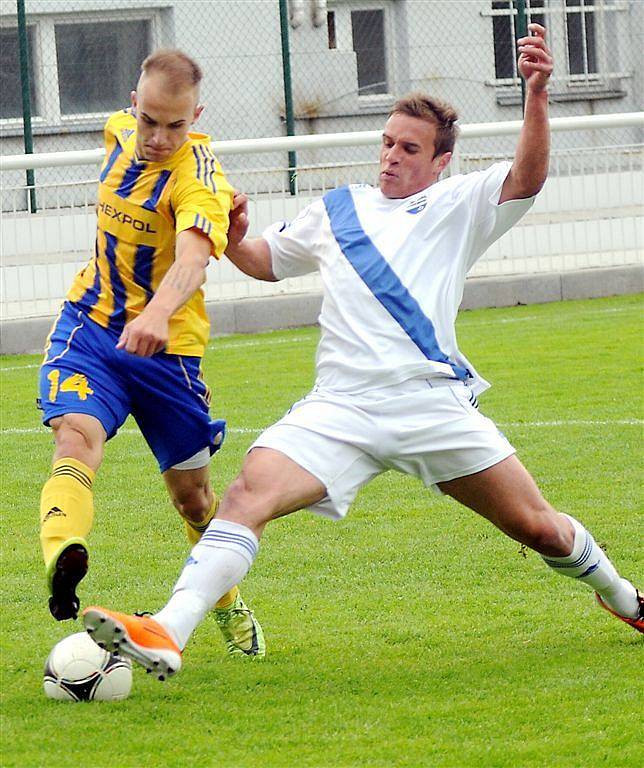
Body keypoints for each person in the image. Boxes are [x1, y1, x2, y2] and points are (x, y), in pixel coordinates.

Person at [81, 26, 642, 679]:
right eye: (386, 143)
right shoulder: (337, 209)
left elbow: (527, 176)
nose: (391, 156)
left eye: (409, 148)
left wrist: (537, 94)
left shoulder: (457, 204)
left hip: (432, 405)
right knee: (244, 496)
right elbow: (266, 262)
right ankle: (168, 630)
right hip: (340, 410)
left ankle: (626, 598)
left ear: (440, 162)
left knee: (540, 529)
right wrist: (234, 239)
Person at [38, 49, 264, 657]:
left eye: (176, 125)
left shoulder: (202, 179)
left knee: (193, 497)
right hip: (91, 328)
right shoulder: (116, 132)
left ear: (197, 116)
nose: (160, 138)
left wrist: (157, 315)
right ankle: (64, 553)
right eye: (149, 122)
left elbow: (193, 258)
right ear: (133, 107)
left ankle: (225, 602)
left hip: (169, 355)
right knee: (75, 436)